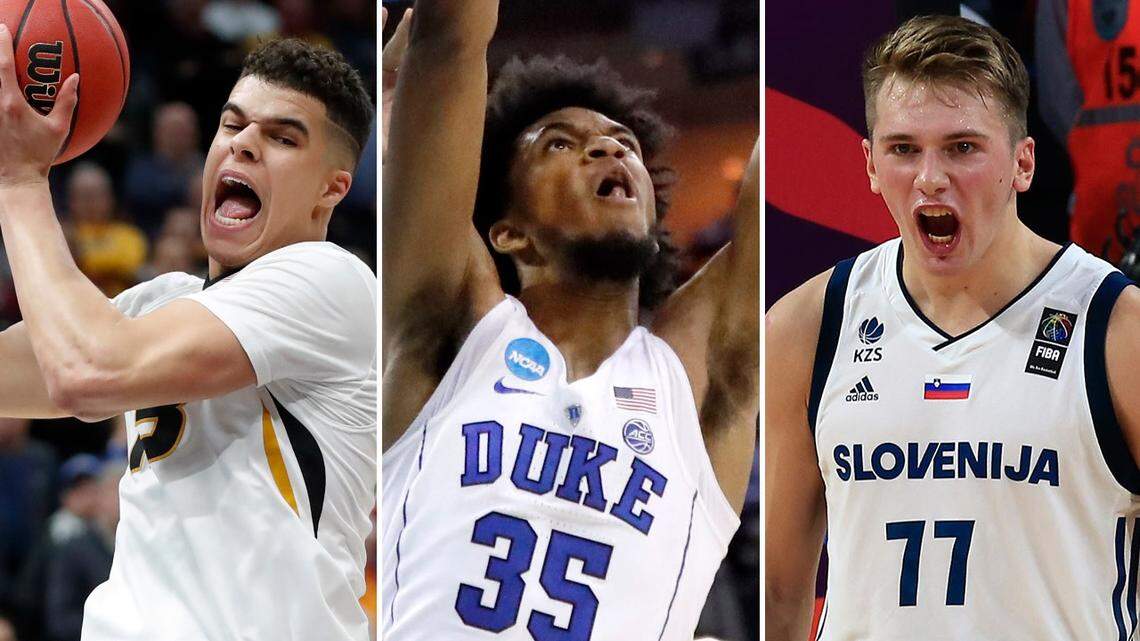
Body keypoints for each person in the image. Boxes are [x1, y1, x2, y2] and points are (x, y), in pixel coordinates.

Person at [381, 1, 758, 639]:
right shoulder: (449, 327)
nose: (609, 146)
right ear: (507, 233)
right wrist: (404, 87)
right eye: (561, 141)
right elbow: (451, 40)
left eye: (625, 145)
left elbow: (812, 119)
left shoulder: (695, 377)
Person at [766, 15, 1140, 640]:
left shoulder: (1117, 329)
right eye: (903, 149)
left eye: (962, 147)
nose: (930, 178)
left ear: (1023, 162)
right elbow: (779, 592)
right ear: (868, 163)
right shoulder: (807, 325)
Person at [0, 33, 376, 641]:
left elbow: (87, 374)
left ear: (333, 188)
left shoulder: (332, 282)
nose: (244, 144)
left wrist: (18, 181)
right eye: (232, 126)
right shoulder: (162, 302)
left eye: (282, 138)